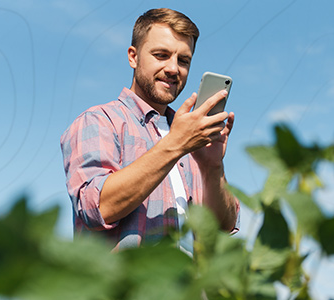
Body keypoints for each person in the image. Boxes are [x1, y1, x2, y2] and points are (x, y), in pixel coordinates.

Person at [60, 8, 239, 252]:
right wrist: (176, 144)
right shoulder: (99, 121)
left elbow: (223, 227)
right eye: (161, 55)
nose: (174, 68)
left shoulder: (194, 137)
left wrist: (212, 167)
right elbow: (97, 208)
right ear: (133, 57)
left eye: (183, 60)